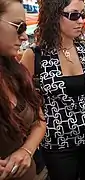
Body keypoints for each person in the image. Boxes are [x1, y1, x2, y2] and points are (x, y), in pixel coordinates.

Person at [20, 0, 85, 179]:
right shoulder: (34, 56)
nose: (81, 21)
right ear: (53, 16)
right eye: (74, 15)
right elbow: (24, 102)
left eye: (83, 15)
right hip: (57, 145)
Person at [0, 0, 46, 180]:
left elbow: (40, 121)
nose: (25, 36)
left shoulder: (17, 71)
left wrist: (26, 150)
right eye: (19, 26)